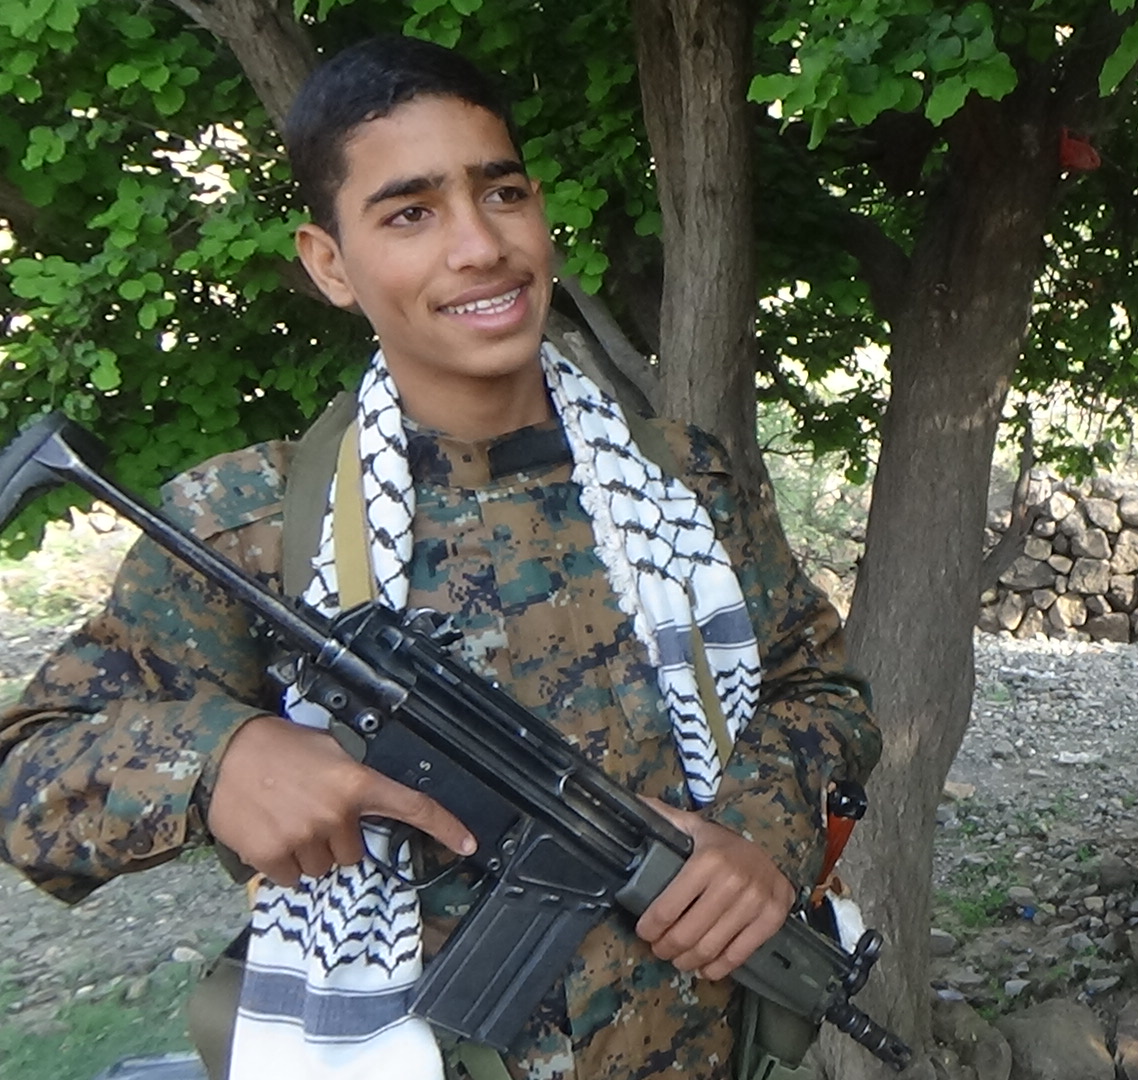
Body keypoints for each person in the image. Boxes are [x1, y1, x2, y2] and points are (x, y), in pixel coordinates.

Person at [0, 35, 880, 1080]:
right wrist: (220, 760)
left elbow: (820, 692)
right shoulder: (254, 521)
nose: (478, 246)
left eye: (500, 194)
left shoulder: (685, 485)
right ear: (330, 263)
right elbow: (29, 774)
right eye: (409, 213)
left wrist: (757, 831)